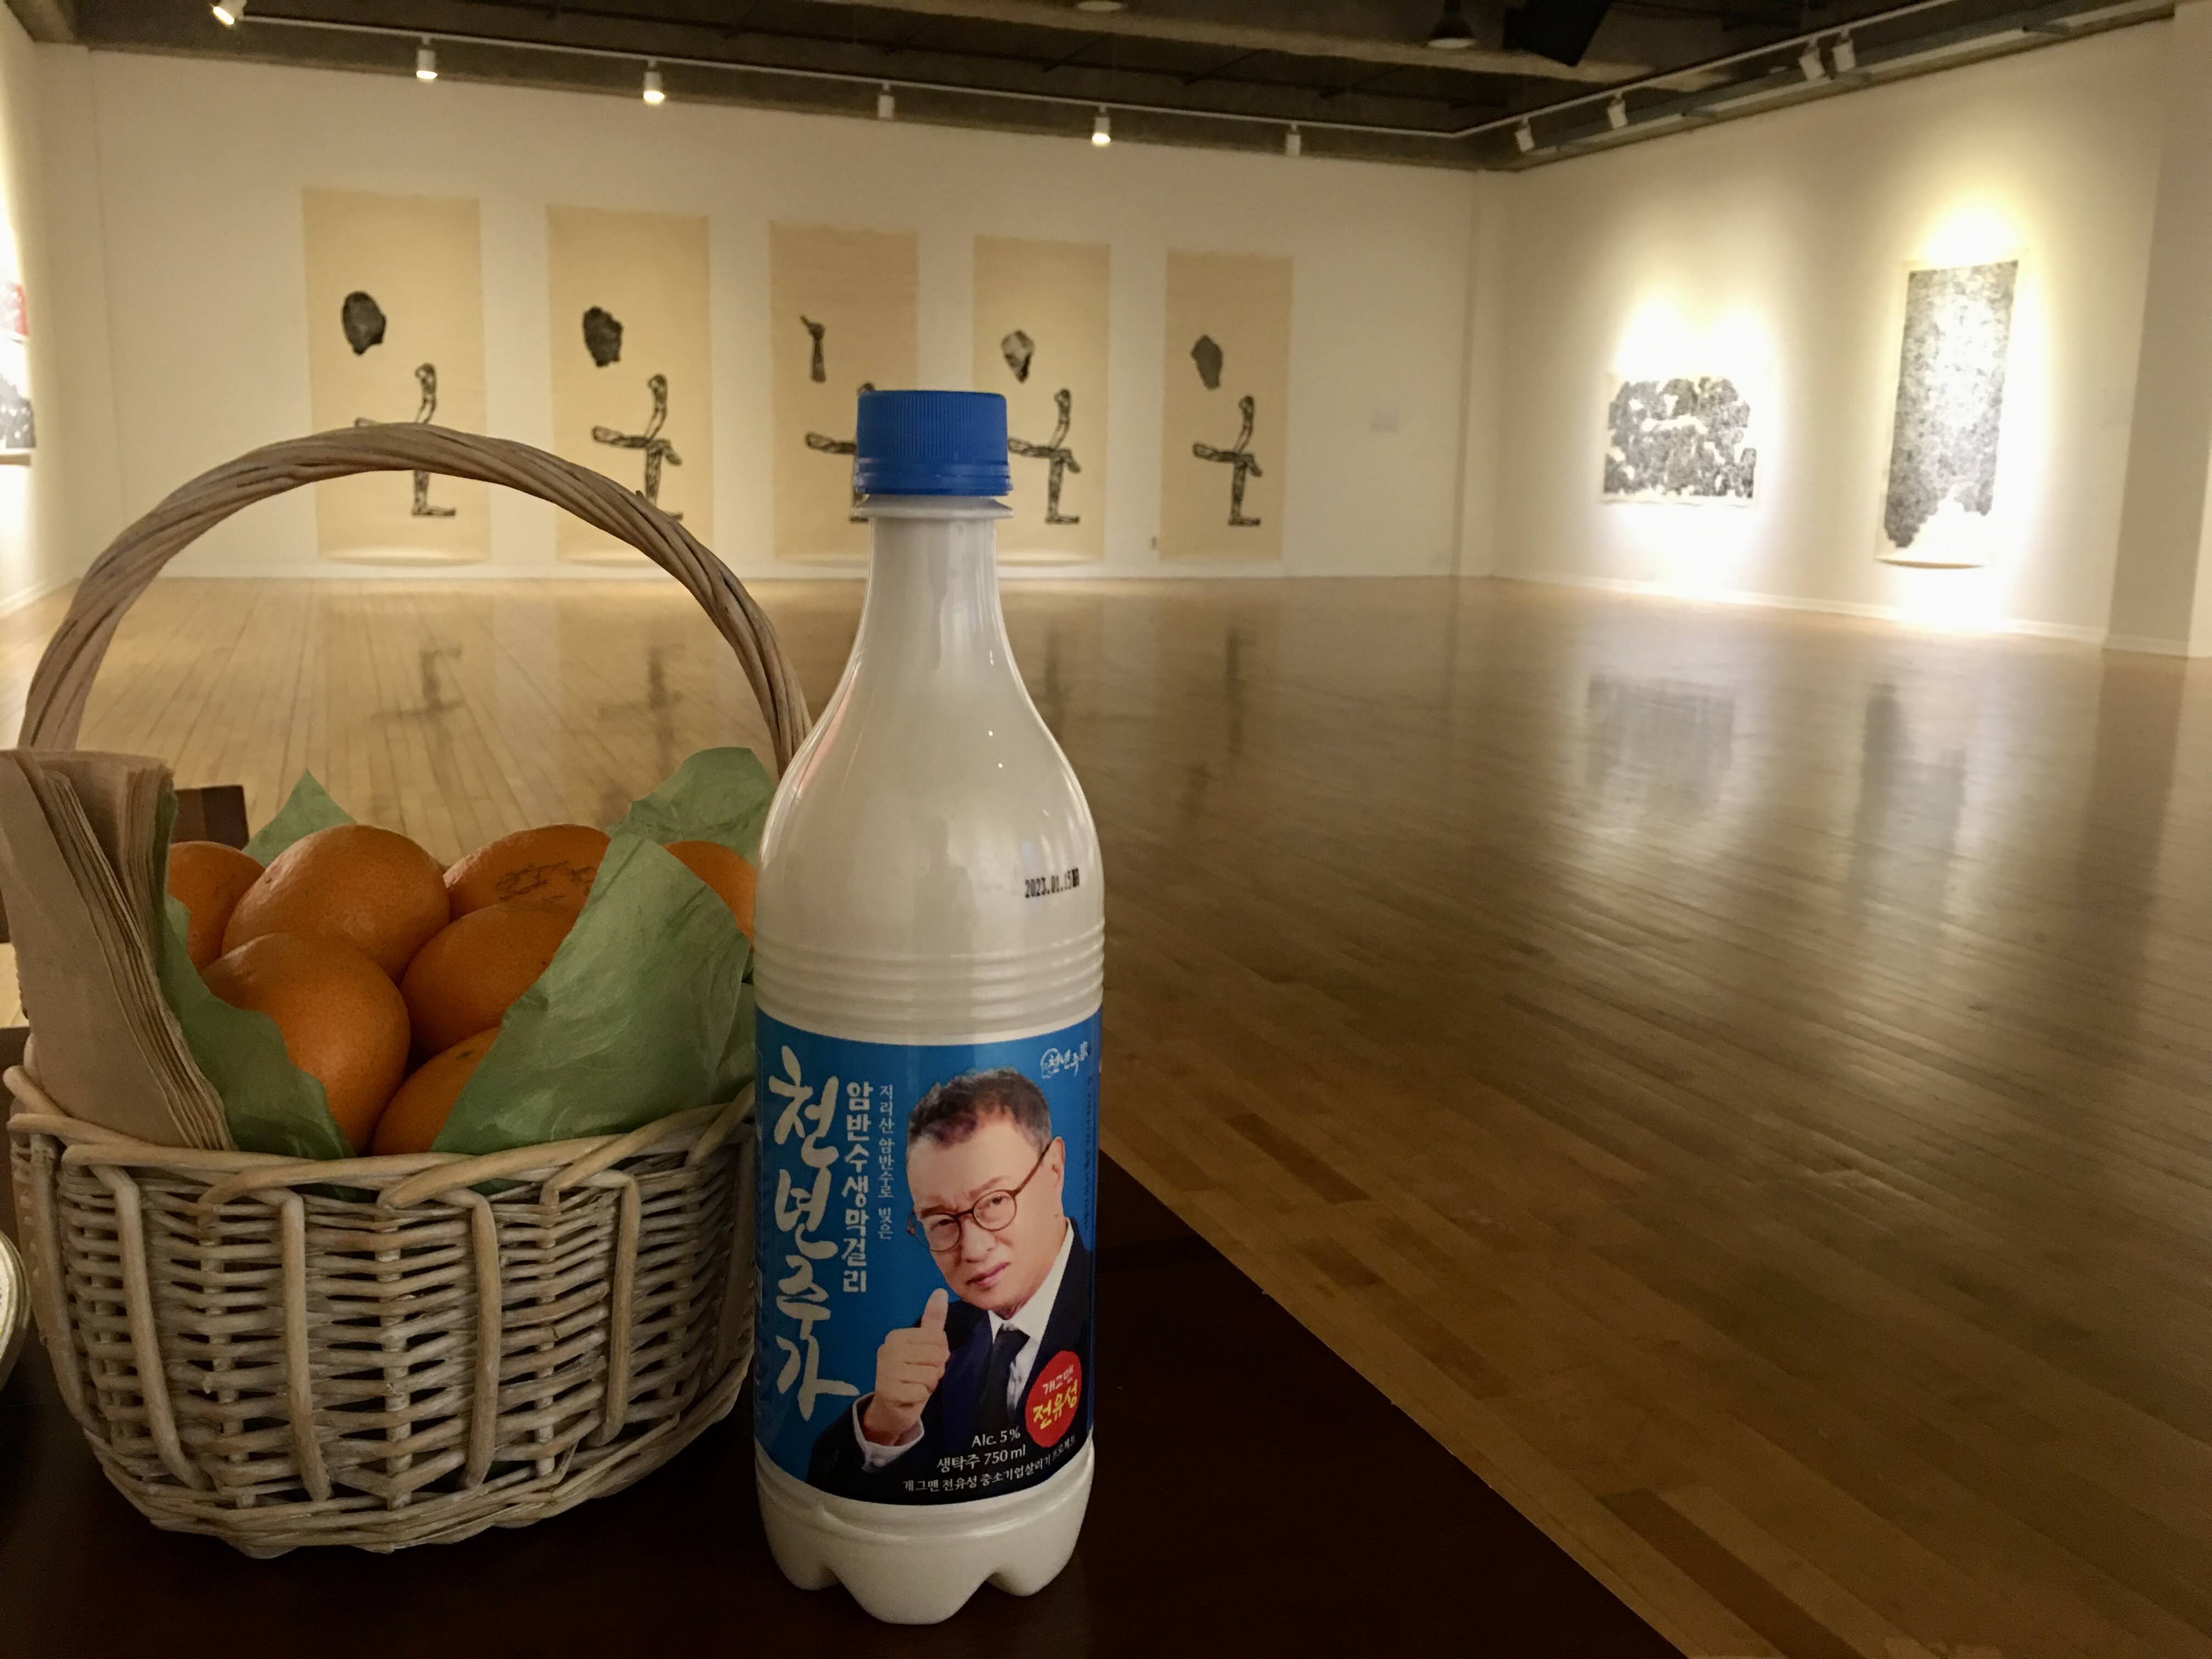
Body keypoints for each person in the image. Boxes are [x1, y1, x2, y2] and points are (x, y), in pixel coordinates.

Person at [808, 1068, 1092, 1502]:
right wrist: (884, 1422)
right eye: (941, 1222)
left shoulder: (1098, 1311)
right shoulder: (945, 1339)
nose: (973, 1249)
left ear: (1054, 1170)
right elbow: (828, 1491)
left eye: (995, 1201)